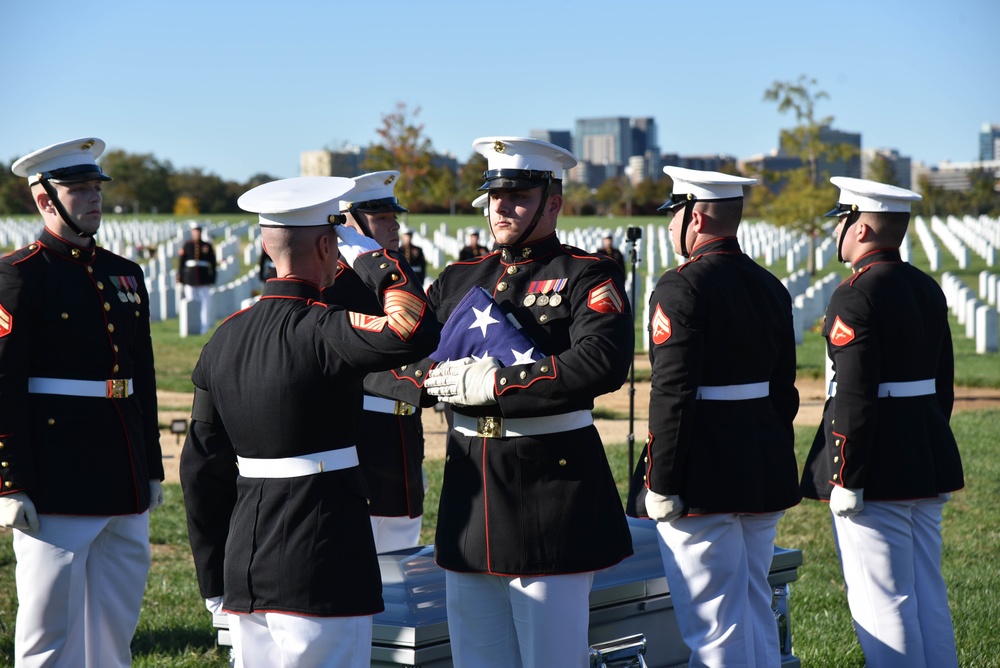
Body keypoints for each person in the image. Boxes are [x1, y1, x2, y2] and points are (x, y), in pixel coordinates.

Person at [179, 176, 439, 668]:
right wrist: (374, 260)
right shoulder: (325, 329)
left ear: (264, 242)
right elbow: (413, 328)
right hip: (323, 556)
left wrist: (213, 576)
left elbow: (200, 469)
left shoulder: (223, 340)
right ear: (328, 244)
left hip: (244, 563)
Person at [410, 136, 634, 667]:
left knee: (552, 657)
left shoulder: (587, 274)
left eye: (518, 197)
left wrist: (499, 384)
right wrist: (435, 377)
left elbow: (601, 363)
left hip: (550, 487)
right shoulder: (461, 278)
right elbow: (410, 356)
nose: (501, 208)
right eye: (494, 196)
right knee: (477, 657)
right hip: (472, 487)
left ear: (551, 203)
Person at [626, 166, 801, 667]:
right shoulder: (768, 285)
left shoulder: (682, 286)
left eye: (673, 215)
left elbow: (672, 392)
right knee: (753, 610)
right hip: (760, 464)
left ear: (696, 218)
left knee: (712, 628)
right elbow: (783, 393)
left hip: (702, 474)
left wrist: (660, 481)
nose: (668, 226)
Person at [0, 137, 164, 667]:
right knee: (48, 631)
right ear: (45, 199)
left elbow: (143, 378)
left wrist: (152, 468)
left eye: (96, 188)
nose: (93, 199)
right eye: (78, 190)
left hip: (122, 469)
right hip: (55, 474)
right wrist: (9, 480)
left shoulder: (125, 273)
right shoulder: (18, 274)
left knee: (115, 627)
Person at [801, 177, 964, 668]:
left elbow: (854, 393)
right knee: (926, 591)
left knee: (882, 600)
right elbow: (944, 384)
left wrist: (845, 473)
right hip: (924, 450)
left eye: (843, 222)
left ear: (863, 226)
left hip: (876, 464)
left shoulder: (855, 294)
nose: (838, 233)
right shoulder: (924, 286)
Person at [322, 170, 428, 553]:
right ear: (351, 222)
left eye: (393, 215)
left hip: (403, 435)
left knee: (402, 546)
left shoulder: (399, 273)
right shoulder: (333, 281)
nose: (394, 223)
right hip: (359, 435)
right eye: (381, 217)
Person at [176, 220, 217, 334]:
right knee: (191, 302)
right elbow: (181, 264)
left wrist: (212, 278)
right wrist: (180, 278)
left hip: (203, 278)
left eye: (198, 231)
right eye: (195, 231)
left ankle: (204, 327)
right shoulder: (187, 245)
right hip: (190, 278)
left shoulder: (207, 246)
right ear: (192, 232)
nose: (196, 233)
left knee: (205, 304)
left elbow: (212, 264)